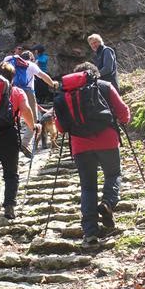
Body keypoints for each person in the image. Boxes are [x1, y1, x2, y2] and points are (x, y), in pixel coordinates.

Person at [55, 61, 130, 248]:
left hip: (80, 146)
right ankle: (108, 203)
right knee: (113, 174)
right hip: (107, 140)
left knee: (88, 187)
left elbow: (60, 127)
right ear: (94, 74)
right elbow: (123, 112)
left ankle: (90, 233)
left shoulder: (65, 95)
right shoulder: (104, 86)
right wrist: (123, 120)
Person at [0, 61, 41, 224]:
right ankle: (9, 207)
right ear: (12, 77)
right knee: (11, 173)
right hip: (9, 134)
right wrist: (33, 125)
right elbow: (26, 110)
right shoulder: (16, 91)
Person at [5, 49, 58, 156]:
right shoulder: (31, 65)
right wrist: (53, 84)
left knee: (11, 117)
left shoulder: (10, 61)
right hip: (27, 92)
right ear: (31, 59)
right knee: (33, 119)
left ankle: (10, 144)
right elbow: (43, 76)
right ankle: (25, 142)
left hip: (11, 91)